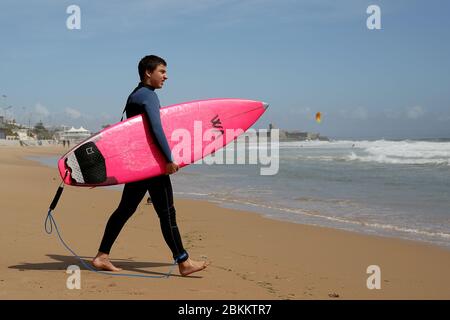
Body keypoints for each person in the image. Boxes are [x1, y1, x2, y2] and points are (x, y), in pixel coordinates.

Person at [92, 55, 208, 276]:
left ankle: (102, 256)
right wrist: (168, 159)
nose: (166, 76)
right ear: (148, 72)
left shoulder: (134, 95)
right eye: (162, 71)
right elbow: (156, 128)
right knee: (166, 213)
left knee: (125, 209)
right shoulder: (149, 97)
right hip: (152, 166)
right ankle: (184, 262)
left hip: (139, 165)